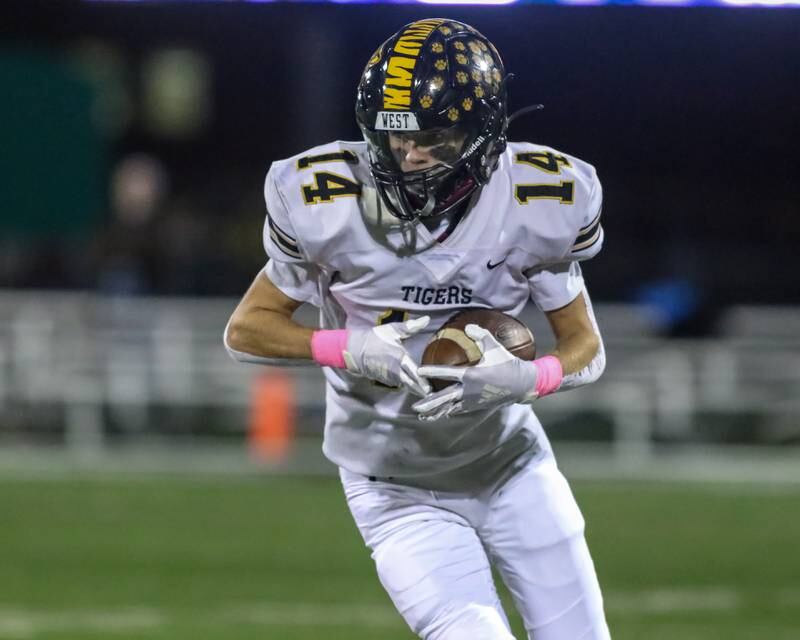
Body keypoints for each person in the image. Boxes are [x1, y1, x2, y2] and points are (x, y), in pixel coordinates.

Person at [225, 18, 610, 640]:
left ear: (482, 132)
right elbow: (246, 330)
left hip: (510, 465)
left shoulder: (540, 196)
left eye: (430, 137)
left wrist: (527, 379)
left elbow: (586, 350)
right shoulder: (326, 198)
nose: (406, 155)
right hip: (393, 485)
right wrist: (345, 347)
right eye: (391, 137)